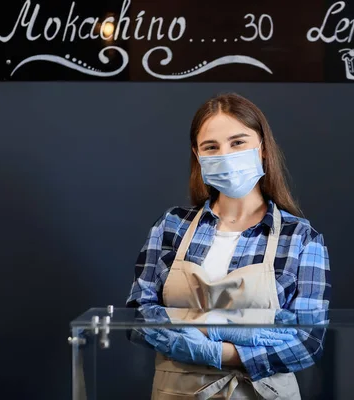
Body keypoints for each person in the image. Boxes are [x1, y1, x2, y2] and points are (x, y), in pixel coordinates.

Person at [125, 93, 331, 399]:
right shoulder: (171, 226)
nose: (226, 154)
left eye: (238, 142)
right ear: (197, 154)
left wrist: (215, 349)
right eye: (212, 147)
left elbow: (307, 340)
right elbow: (138, 316)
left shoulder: (300, 238)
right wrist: (245, 331)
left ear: (262, 148)